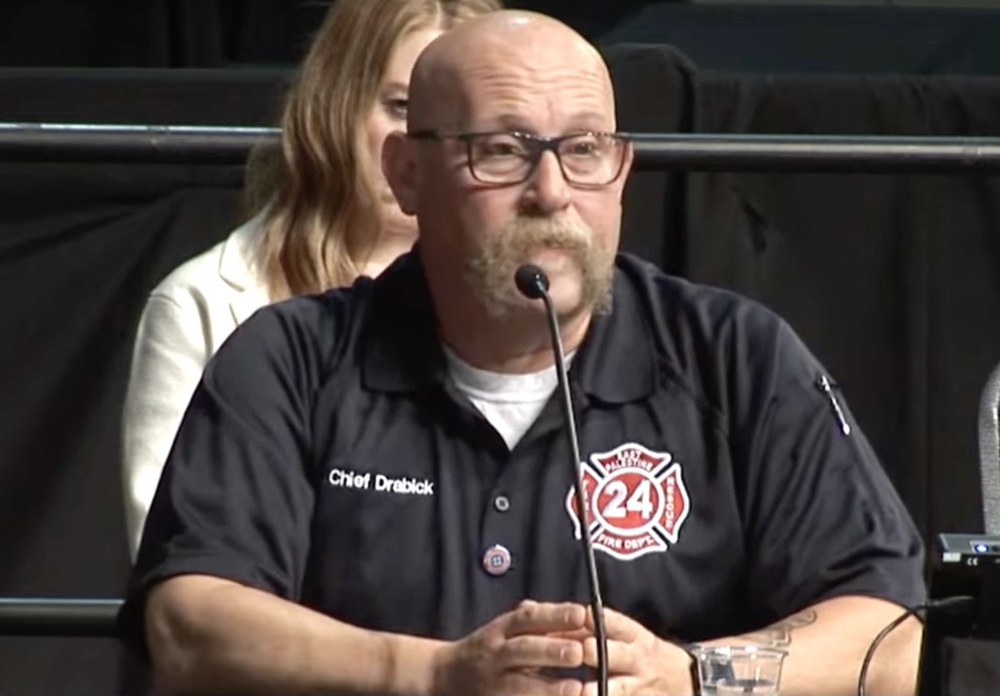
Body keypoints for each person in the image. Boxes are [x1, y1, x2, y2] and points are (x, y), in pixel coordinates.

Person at [119, 10, 926, 696]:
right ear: (407, 175)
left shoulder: (734, 358)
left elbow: (890, 638)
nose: (551, 192)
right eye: (502, 151)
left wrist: (685, 678)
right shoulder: (291, 359)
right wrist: (435, 676)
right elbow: (190, 625)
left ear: (621, 170)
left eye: (583, 150)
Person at [120, 0, 501, 557]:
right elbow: (177, 577)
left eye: (461, 121)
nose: (419, 149)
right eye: (400, 107)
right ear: (334, 104)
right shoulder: (200, 303)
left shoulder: (530, 303)